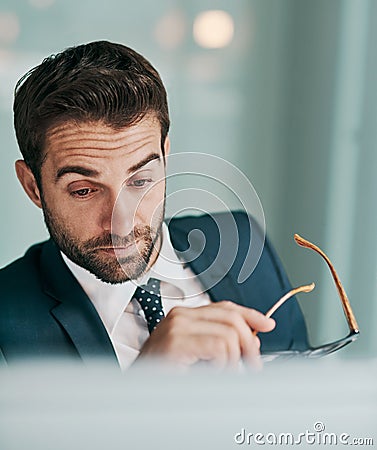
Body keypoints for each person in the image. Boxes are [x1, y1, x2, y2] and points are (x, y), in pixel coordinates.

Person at [0, 41, 308, 370]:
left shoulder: (244, 241)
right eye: (85, 190)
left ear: (165, 156)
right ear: (33, 186)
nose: (121, 223)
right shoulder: (8, 322)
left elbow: (307, 400)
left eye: (140, 181)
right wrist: (145, 386)